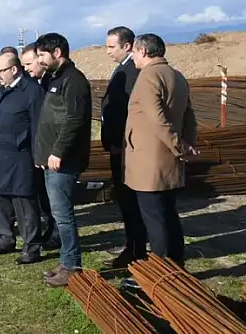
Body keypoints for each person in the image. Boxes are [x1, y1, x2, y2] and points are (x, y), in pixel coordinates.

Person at [124, 33, 199, 269]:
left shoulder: (148, 76)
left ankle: (162, 272)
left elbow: (157, 118)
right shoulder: (176, 76)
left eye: (134, 52)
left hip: (150, 162)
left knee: (155, 220)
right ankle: (177, 265)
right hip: (169, 160)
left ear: (143, 51)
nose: (133, 56)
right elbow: (189, 116)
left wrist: (179, 145)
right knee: (168, 215)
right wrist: (187, 144)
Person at [33, 32, 93, 287]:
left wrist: (58, 151)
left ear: (57, 53)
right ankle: (66, 260)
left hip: (64, 160)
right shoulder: (56, 78)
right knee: (59, 213)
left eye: (42, 55)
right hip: (51, 159)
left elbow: (74, 121)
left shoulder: (74, 81)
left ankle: (73, 266)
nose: (40, 61)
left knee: (63, 214)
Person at [0, 53, 46, 264]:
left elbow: (38, 125)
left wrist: (38, 155)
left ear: (14, 69)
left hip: (21, 157)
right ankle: (5, 239)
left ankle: (31, 247)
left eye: (1, 71)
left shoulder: (32, 91)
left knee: (24, 204)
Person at [99, 26, 143, 267]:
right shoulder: (123, 69)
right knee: (125, 202)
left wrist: (120, 143)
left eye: (111, 46)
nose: (107, 52)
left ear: (127, 46)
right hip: (118, 148)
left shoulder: (133, 72)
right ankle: (132, 246)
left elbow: (127, 113)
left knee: (131, 203)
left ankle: (136, 251)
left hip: (125, 149)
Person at [19, 42, 61, 250]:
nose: (26, 69)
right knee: (44, 196)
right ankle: (52, 230)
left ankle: (58, 234)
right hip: (39, 151)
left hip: (53, 152)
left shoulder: (51, 83)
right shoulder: (38, 82)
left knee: (54, 198)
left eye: (28, 63)